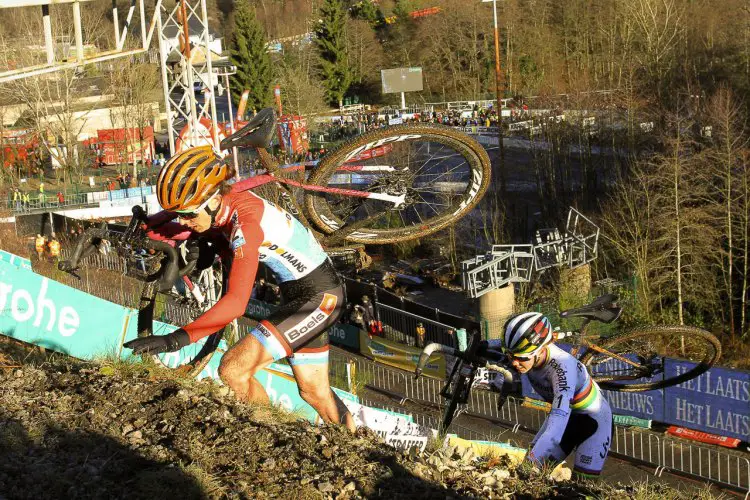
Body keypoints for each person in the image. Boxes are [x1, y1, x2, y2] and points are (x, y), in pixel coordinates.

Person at [123, 146, 355, 431]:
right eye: (178, 214)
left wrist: (176, 340)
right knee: (314, 392)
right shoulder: (223, 206)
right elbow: (183, 228)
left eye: (188, 214)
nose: (183, 221)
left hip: (318, 298)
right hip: (302, 294)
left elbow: (236, 303)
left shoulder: (246, 224)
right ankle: (360, 441)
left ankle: (269, 435)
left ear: (213, 200)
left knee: (233, 369)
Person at [480, 312, 613, 479]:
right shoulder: (526, 349)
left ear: (540, 350)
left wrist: (528, 466)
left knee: (582, 489)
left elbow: (554, 434)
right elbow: (504, 345)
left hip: (594, 423)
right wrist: (482, 345)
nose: (514, 362)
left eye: (521, 358)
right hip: (567, 419)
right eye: (510, 355)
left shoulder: (562, 369)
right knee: (535, 478)